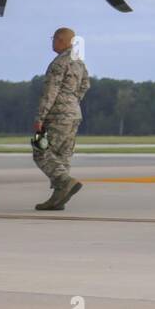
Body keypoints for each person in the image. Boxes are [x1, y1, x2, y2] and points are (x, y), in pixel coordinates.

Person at [32, 27, 90, 211]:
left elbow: (51, 91)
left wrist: (40, 116)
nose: (52, 42)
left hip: (57, 115)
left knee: (40, 151)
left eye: (54, 39)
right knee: (63, 155)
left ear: (61, 40)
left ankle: (65, 182)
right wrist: (72, 103)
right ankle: (59, 198)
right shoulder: (78, 61)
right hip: (74, 113)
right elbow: (86, 85)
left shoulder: (59, 62)